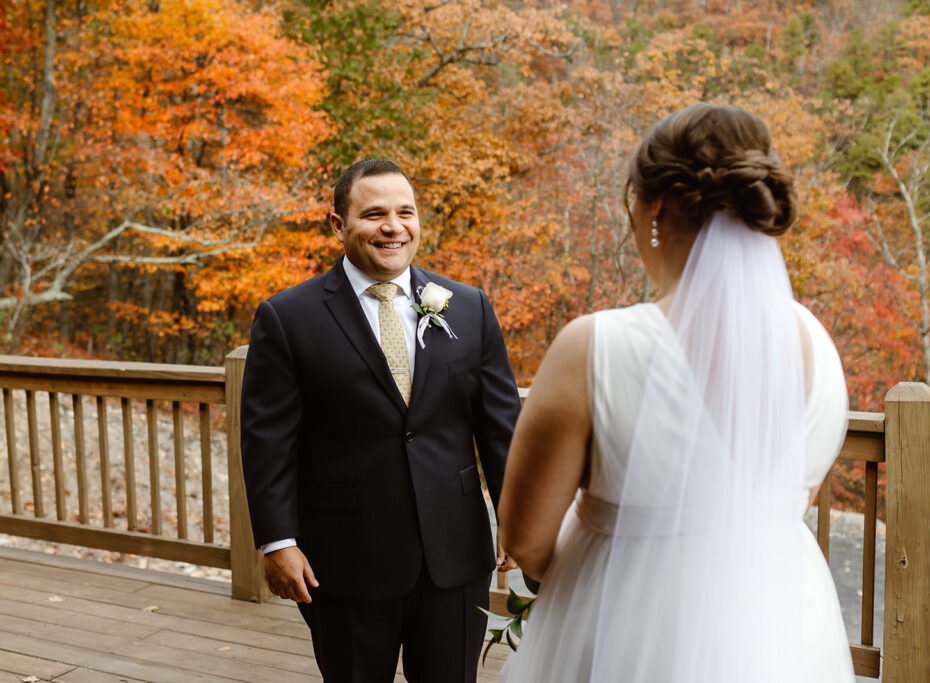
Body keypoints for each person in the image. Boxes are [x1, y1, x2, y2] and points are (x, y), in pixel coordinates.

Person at [499, 103, 855, 682]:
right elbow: (796, 495)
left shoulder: (595, 347)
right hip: (774, 625)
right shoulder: (817, 343)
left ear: (654, 207)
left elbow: (525, 537)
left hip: (621, 625)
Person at [240, 158, 522, 683]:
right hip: (345, 558)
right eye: (374, 214)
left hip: (455, 555)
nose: (393, 226)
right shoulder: (287, 317)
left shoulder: (469, 307)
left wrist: (515, 513)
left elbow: (501, 424)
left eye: (405, 212)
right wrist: (278, 541)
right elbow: (268, 441)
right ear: (338, 224)